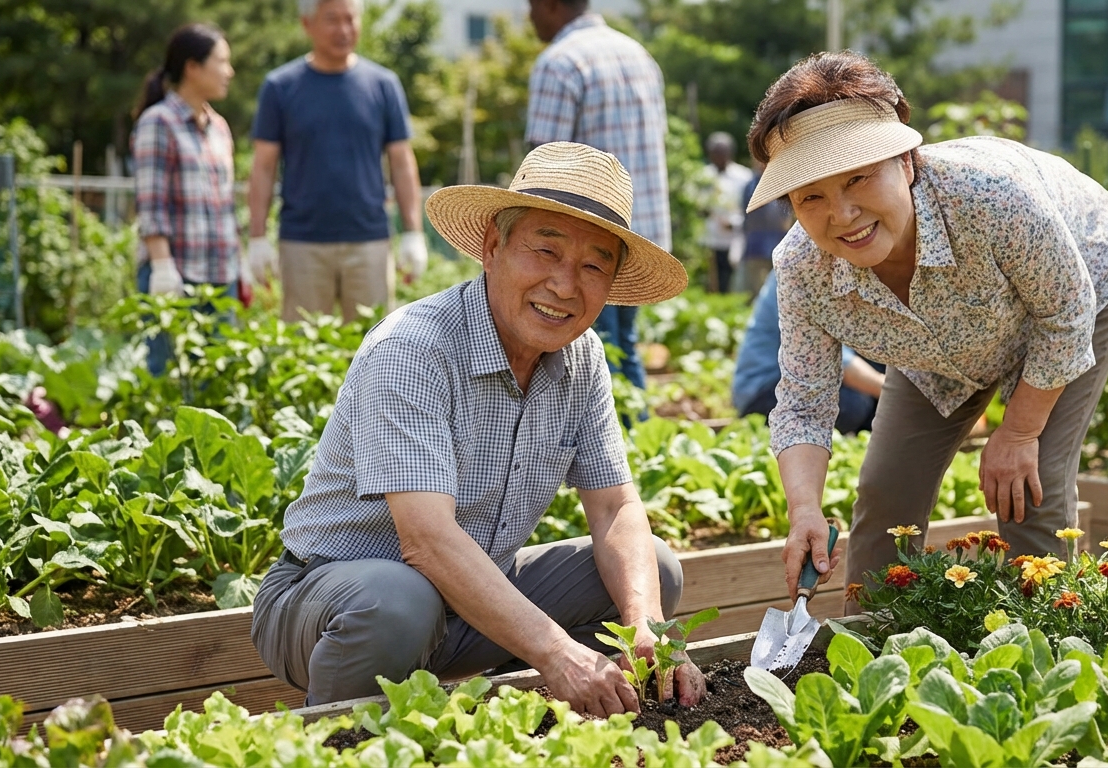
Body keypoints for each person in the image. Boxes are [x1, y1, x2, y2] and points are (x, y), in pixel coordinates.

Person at [251, 142, 703, 714]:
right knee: (397, 603)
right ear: (493, 247)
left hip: (467, 605)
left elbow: (615, 508)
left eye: (594, 265)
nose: (565, 285)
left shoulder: (581, 355)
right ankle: (341, 740)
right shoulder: (413, 348)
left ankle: (539, 715)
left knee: (652, 573)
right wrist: (556, 650)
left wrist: (650, 632)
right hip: (331, 601)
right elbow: (427, 540)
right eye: (545, 250)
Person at [744, 52, 1108, 608]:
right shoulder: (804, 267)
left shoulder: (992, 198)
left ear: (906, 160)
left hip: (1074, 291)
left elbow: (1066, 316)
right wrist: (804, 510)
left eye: (858, 178)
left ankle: (1051, 653)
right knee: (886, 492)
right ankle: (874, 650)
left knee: (1030, 489)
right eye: (811, 196)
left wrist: (1019, 433)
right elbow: (805, 404)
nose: (843, 214)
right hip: (940, 344)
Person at [246, 0, 428, 324]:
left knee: (373, 349)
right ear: (307, 24)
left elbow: (401, 162)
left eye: (351, 19)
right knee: (302, 353)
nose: (344, 30)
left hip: (369, 240)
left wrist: (413, 232)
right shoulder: (280, 87)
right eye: (332, 20)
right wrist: (257, 237)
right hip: (302, 243)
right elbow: (263, 166)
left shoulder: (383, 84)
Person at [526, 0, 669, 389]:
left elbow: (544, 166)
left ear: (550, 5)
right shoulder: (638, 54)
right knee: (622, 345)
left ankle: (608, 440)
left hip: (584, 242)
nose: (529, 16)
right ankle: (636, 439)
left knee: (587, 354)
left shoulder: (560, 62)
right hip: (641, 232)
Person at [131, 23, 240, 376]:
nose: (230, 71)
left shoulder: (219, 127)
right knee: (166, 377)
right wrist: (162, 269)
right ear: (193, 67)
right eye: (222, 61)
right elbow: (151, 204)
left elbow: (224, 204)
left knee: (218, 379)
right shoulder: (158, 122)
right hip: (177, 275)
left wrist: (243, 268)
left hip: (220, 279)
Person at [734, 271, 882, 433]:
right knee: (853, 403)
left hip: (802, 380)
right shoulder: (799, 271)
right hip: (764, 391)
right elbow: (839, 363)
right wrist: (896, 392)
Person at [701, 132, 754, 293]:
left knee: (732, 279)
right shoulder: (703, 176)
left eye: (722, 153)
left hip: (733, 237)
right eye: (715, 153)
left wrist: (734, 223)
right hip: (708, 238)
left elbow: (749, 209)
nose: (718, 157)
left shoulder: (743, 177)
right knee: (710, 280)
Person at [737, 161, 792, 297]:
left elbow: (784, 220)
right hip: (757, 250)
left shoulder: (782, 182)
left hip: (780, 248)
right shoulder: (750, 185)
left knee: (782, 293)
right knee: (763, 295)